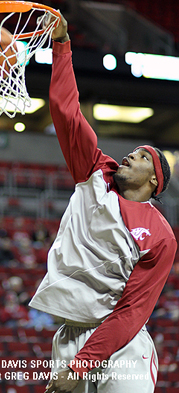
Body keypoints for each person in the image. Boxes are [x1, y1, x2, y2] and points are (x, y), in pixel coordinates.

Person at [28, 14, 177, 393]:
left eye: (142, 156)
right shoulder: (93, 172)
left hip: (122, 342)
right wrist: (62, 45)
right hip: (71, 332)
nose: (128, 156)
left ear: (156, 180)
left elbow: (132, 311)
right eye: (131, 152)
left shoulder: (161, 234)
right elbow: (66, 110)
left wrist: (81, 368)